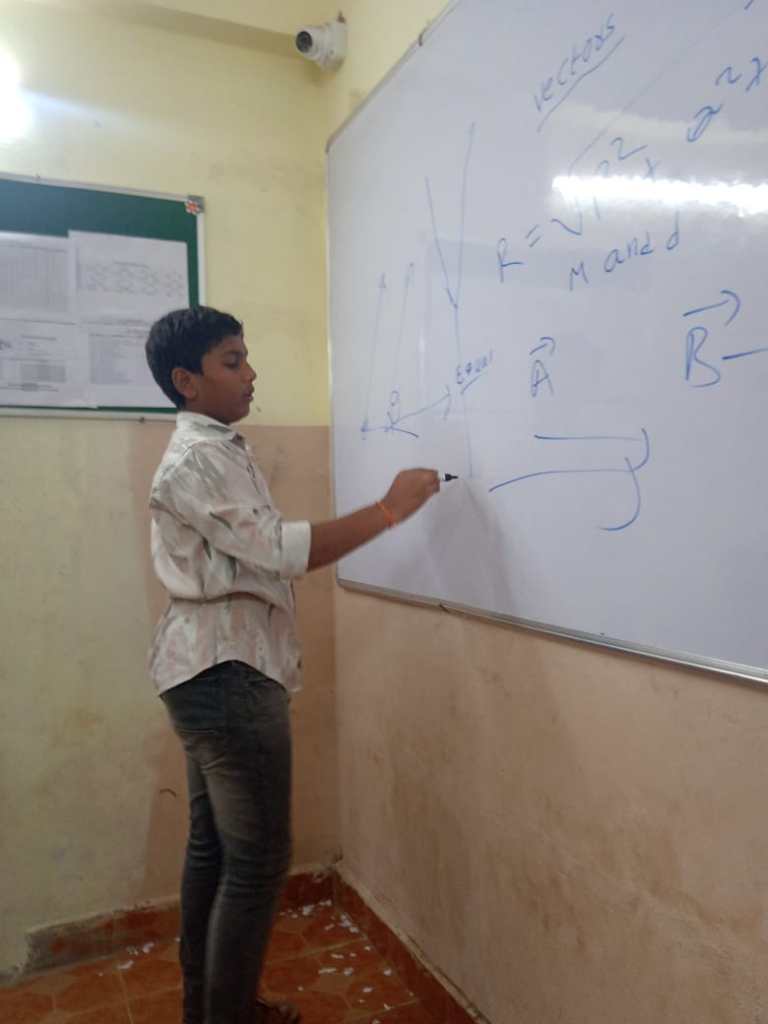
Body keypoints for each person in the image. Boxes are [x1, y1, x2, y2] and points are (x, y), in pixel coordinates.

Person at [144, 306, 439, 1024]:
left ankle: (213, 1009)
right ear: (186, 380)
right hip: (226, 675)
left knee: (217, 850)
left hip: (213, 670)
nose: (250, 374)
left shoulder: (216, 446)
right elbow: (279, 550)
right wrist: (389, 509)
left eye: (245, 357)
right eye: (232, 361)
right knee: (256, 861)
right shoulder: (199, 458)